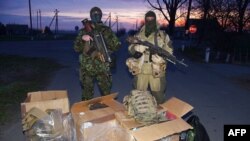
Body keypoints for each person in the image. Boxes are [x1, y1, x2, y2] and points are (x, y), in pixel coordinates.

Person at [74, 7, 121, 100]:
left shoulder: (107, 30)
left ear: (101, 15)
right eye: (94, 14)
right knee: (86, 96)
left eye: (98, 14)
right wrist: (82, 39)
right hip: (87, 67)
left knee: (107, 95)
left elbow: (117, 46)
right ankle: (85, 114)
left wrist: (108, 41)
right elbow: (76, 48)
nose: (96, 16)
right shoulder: (83, 31)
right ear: (91, 16)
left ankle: (109, 112)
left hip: (103, 67)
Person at [127, 11, 173, 104]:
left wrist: (162, 59)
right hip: (141, 69)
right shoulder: (138, 35)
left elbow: (169, 50)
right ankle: (140, 115)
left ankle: (161, 115)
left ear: (155, 19)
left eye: (152, 19)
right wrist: (136, 48)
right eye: (148, 19)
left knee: (158, 96)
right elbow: (130, 48)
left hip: (156, 70)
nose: (150, 21)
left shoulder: (162, 35)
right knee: (139, 97)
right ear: (145, 20)